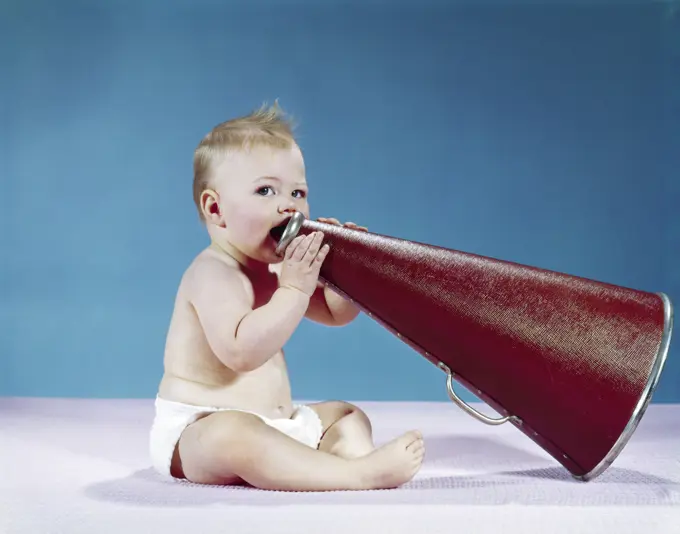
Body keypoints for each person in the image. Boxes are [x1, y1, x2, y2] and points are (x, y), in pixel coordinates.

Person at [149, 102, 425, 491]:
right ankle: (355, 475)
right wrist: (294, 289)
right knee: (235, 433)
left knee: (345, 414)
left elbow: (336, 315)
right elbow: (242, 352)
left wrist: (345, 277)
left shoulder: (280, 269)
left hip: (276, 422)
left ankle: (345, 458)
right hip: (200, 429)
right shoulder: (212, 273)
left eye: (298, 192)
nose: (288, 205)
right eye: (266, 190)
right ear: (216, 209)